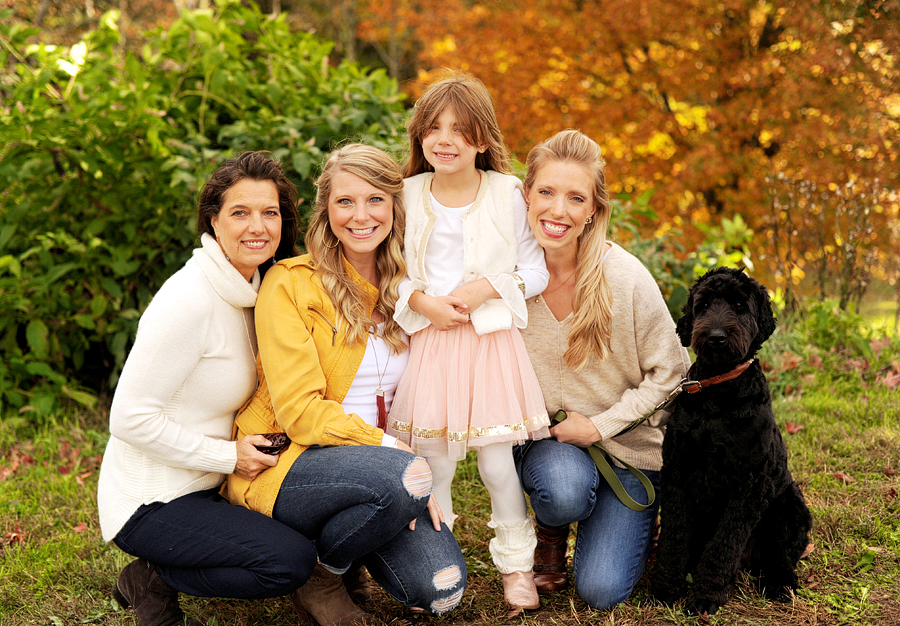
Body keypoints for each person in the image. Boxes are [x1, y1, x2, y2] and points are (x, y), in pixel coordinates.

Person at [222, 143, 468, 626]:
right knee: (404, 479)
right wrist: (395, 458)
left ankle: (351, 540)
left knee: (441, 591)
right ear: (326, 210)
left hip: (386, 466)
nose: (361, 216)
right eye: (345, 202)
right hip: (287, 460)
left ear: (396, 208)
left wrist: (405, 478)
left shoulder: (411, 289)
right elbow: (300, 412)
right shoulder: (290, 284)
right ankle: (323, 574)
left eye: (376, 200)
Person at [97, 152, 317, 626]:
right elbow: (129, 418)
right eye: (240, 213)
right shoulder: (188, 299)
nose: (256, 226)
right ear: (214, 222)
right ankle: (152, 578)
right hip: (153, 498)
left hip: (213, 483)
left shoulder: (257, 289)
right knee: (288, 563)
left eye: (270, 212)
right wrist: (228, 457)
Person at [386, 71, 550, 615]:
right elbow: (388, 271)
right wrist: (422, 300)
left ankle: (517, 566)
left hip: (490, 347)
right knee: (432, 463)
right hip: (431, 344)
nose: (445, 139)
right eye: (433, 127)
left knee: (498, 464)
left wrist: (488, 287)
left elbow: (536, 271)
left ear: (482, 139)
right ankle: (439, 562)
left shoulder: (508, 193)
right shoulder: (406, 194)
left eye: (460, 129)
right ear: (419, 136)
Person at [514, 129, 691, 609]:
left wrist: (599, 425)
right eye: (546, 192)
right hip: (552, 450)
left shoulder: (625, 277)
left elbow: (672, 371)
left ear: (594, 209)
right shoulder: (504, 278)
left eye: (576, 198)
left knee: (601, 592)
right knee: (564, 491)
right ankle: (551, 529)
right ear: (525, 195)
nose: (558, 211)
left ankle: (628, 524)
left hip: (629, 452)